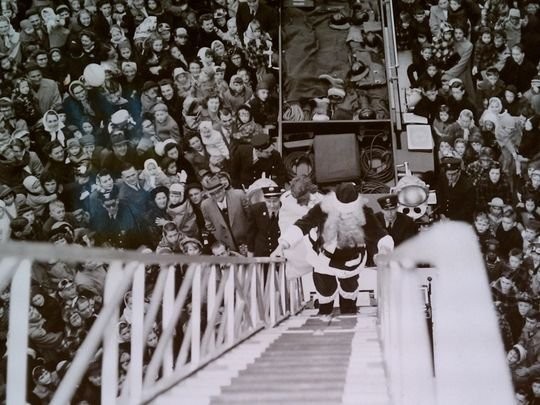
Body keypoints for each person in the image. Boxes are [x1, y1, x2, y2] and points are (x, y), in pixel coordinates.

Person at [273, 182, 393, 315]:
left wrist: (383, 251)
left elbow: (379, 234)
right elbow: (303, 225)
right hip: (324, 259)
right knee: (325, 295)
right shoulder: (322, 208)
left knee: (349, 298)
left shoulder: (364, 212)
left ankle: (348, 315)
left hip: (351, 260)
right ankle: (324, 313)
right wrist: (283, 244)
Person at [436, 156, 476, 222]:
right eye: (448, 174)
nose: (450, 177)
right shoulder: (442, 179)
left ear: (459, 172)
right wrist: (441, 213)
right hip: (443, 218)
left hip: (461, 220)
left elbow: (468, 208)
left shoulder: (468, 186)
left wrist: (451, 219)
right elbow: (440, 196)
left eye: (453, 174)